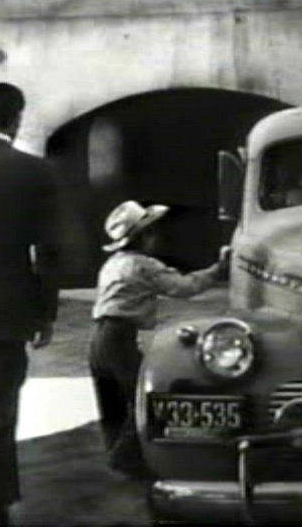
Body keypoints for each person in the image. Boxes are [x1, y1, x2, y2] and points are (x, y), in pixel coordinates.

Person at [90, 200, 226, 480]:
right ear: (142, 237)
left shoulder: (112, 264)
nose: (158, 237)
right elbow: (184, 287)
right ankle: (125, 458)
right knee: (144, 399)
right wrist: (217, 270)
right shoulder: (144, 265)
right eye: (152, 232)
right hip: (119, 339)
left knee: (112, 403)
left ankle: (122, 460)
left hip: (98, 338)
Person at [0, 82, 62, 525]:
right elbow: (47, 251)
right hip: (10, 310)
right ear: (17, 118)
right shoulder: (35, 172)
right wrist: (45, 313)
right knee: (3, 409)